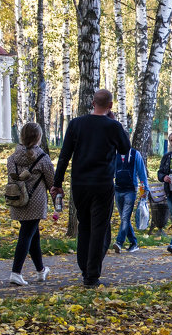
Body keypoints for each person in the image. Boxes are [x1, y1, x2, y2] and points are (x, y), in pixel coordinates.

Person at [51, 89, 131, 287]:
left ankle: (84, 266)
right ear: (111, 105)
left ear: (92, 102)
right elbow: (125, 149)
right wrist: (113, 122)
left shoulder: (76, 124)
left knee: (84, 225)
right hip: (103, 183)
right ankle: (91, 275)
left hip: (80, 184)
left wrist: (57, 183)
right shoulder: (113, 126)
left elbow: (64, 156)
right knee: (99, 228)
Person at [6, 122, 56, 285]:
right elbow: (51, 183)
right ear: (38, 138)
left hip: (18, 200)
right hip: (35, 202)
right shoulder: (43, 158)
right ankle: (16, 272)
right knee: (27, 234)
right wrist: (58, 202)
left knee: (32, 234)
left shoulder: (12, 158)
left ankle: (41, 270)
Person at [112, 144, 149, 253]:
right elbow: (111, 171)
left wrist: (145, 190)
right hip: (117, 189)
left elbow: (142, 172)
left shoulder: (135, 154)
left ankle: (119, 242)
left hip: (130, 190)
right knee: (124, 218)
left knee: (125, 217)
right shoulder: (115, 155)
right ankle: (134, 243)